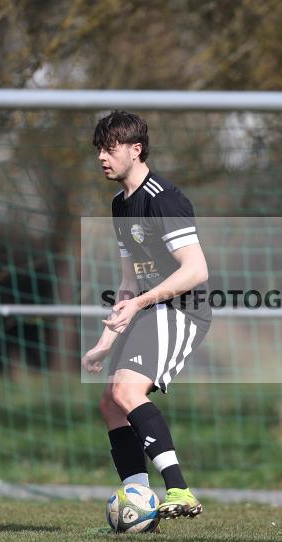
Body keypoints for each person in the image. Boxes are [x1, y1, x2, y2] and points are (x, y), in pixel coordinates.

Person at [82, 110, 211, 519]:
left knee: (126, 393)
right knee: (111, 402)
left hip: (182, 309)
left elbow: (196, 270)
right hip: (151, 307)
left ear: (136, 150)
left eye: (110, 148)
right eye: (99, 149)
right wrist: (104, 343)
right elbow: (128, 280)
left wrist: (139, 303)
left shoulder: (163, 198)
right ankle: (138, 501)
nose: (102, 157)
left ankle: (180, 490)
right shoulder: (120, 204)